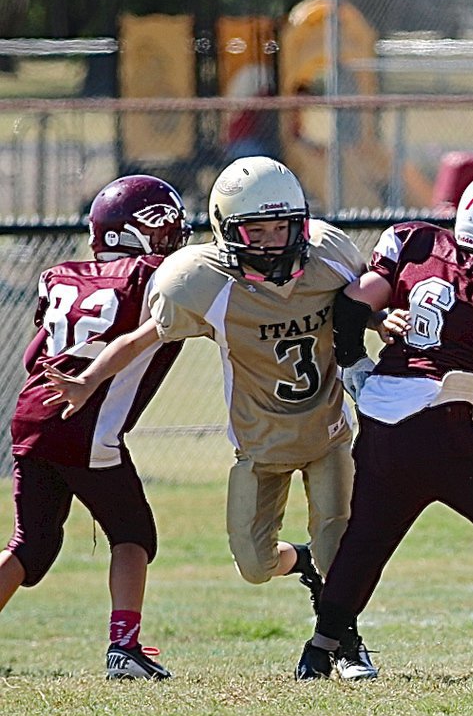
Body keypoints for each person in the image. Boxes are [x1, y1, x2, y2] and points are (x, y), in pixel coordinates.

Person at [45, 157, 376, 679]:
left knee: (339, 543)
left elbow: (367, 304)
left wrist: (387, 321)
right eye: (257, 230)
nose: (271, 241)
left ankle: (345, 642)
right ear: (228, 231)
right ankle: (306, 564)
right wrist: (89, 380)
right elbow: (142, 337)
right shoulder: (202, 282)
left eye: (282, 227)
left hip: (328, 433)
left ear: (301, 223)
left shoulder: (329, 257)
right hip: (260, 445)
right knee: (253, 563)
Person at [294, 166, 473, 679]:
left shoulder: (415, 242)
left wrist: (354, 361)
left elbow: (353, 303)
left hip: (381, 416)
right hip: (437, 419)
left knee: (368, 538)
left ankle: (320, 647)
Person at [0, 175, 191, 679]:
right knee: (132, 534)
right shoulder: (158, 275)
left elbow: (30, 356)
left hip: (32, 413)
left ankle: (125, 649)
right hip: (87, 424)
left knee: (30, 544)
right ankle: (123, 648)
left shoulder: (59, 274)